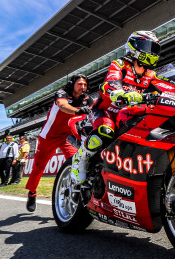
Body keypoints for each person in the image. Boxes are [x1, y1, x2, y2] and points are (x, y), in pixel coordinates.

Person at [71, 31, 161, 188]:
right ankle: (80, 159)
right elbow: (111, 81)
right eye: (148, 47)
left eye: (155, 49)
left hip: (127, 115)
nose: (151, 52)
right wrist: (119, 92)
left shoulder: (151, 74)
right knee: (106, 130)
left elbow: (163, 88)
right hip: (105, 111)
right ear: (135, 47)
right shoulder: (119, 65)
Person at [24, 73, 92, 212]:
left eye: (85, 84)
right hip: (49, 136)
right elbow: (62, 105)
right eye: (80, 84)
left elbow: (96, 108)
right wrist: (78, 110)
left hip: (68, 136)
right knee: (38, 167)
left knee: (77, 162)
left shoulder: (86, 98)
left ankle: (75, 191)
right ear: (72, 84)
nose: (83, 87)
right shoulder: (62, 93)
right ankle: (32, 193)